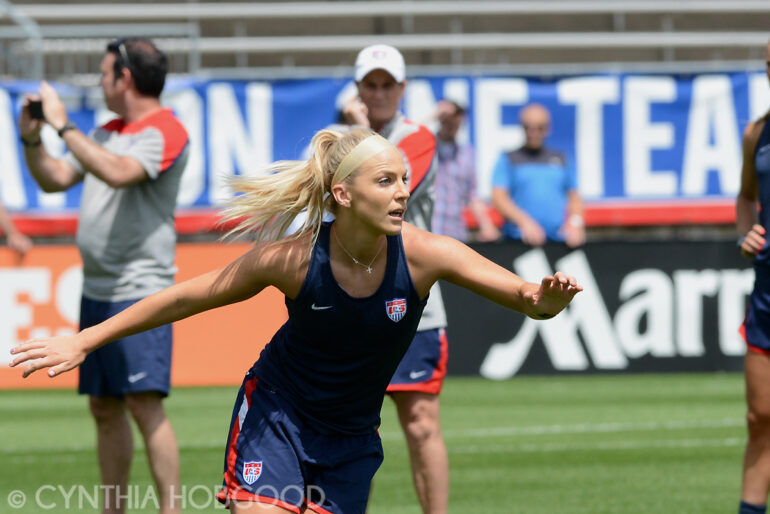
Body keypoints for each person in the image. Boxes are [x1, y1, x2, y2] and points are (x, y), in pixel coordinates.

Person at [10, 127, 582, 514]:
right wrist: (86, 339)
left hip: (352, 438)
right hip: (276, 418)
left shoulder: (428, 252)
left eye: (405, 179)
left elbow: (527, 296)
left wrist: (547, 302)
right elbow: (189, 296)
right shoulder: (291, 260)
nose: (403, 192)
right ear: (343, 193)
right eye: (386, 181)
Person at [17, 37, 189, 514]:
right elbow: (54, 177)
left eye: (104, 71)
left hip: (140, 291)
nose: (100, 80)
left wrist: (64, 124)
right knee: (104, 406)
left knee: (143, 403)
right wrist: (32, 138)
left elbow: (118, 172)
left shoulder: (165, 131)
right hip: (97, 290)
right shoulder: (109, 129)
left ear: (125, 78)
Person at [343, 44, 450, 513]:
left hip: (412, 298)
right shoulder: (340, 139)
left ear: (403, 89)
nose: (380, 92)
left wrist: (357, 130)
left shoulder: (418, 137)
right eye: (372, 84)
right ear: (359, 88)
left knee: (421, 421)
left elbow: (386, 174)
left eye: (389, 84)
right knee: (348, 423)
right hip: (352, 297)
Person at [736, 40, 770, 514]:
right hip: (767, 290)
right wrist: (746, 233)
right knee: (760, 416)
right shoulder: (757, 133)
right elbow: (746, 196)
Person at [491, 102, 585, 248]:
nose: (533, 132)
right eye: (528, 127)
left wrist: (575, 223)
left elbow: (574, 196)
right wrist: (525, 223)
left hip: (558, 242)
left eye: (539, 127)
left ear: (548, 129)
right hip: (518, 242)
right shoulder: (508, 158)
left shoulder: (561, 159)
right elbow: (499, 197)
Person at [432, 99, 500, 243]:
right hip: (427, 231)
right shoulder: (425, 148)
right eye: (447, 121)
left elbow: (472, 195)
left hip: (455, 234)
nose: (451, 126)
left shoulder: (466, 153)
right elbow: (402, 141)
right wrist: (434, 115)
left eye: (456, 122)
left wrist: (486, 225)